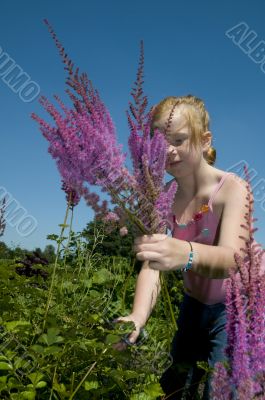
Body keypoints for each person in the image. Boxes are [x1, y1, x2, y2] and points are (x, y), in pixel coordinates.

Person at [113, 94, 257, 399]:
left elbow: (234, 259)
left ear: (205, 141)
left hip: (238, 305)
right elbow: (152, 264)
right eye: (158, 143)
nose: (167, 150)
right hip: (194, 304)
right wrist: (138, 317)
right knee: (176, 384)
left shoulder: (231, 188)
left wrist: (186, 253)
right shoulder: (164, 196)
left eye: (178, 139)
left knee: (223, 389)